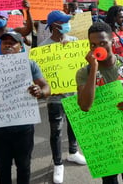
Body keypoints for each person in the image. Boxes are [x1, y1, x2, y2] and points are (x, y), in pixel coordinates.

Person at [76, 22, 123, 184]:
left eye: (102, 43)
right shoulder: (84, 73)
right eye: (93, 45)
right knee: (109, 181)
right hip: (103, 137)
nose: (97, 48)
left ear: (112, 42)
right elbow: (85, 106)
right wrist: (94, 68)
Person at [0, 31, 50, 184]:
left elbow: (46, 87)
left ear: (21, 47)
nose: (8, 44)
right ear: (0, 46)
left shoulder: (29, 65)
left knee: (23, 166)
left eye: (12, 42)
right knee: (2, 167)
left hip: (23, 127)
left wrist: (40, 92)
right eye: (5, 42)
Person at [39, 10, 86, 184]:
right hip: (55, 96)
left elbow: (82, 66)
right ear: (54, 26)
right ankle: (58, 163)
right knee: (56, 130)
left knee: (74, 125)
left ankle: (73, 152)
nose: (67, 25)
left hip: (74, 93)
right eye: (63, 22)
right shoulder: (43, 47)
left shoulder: (74, 42)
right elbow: (41, 74)